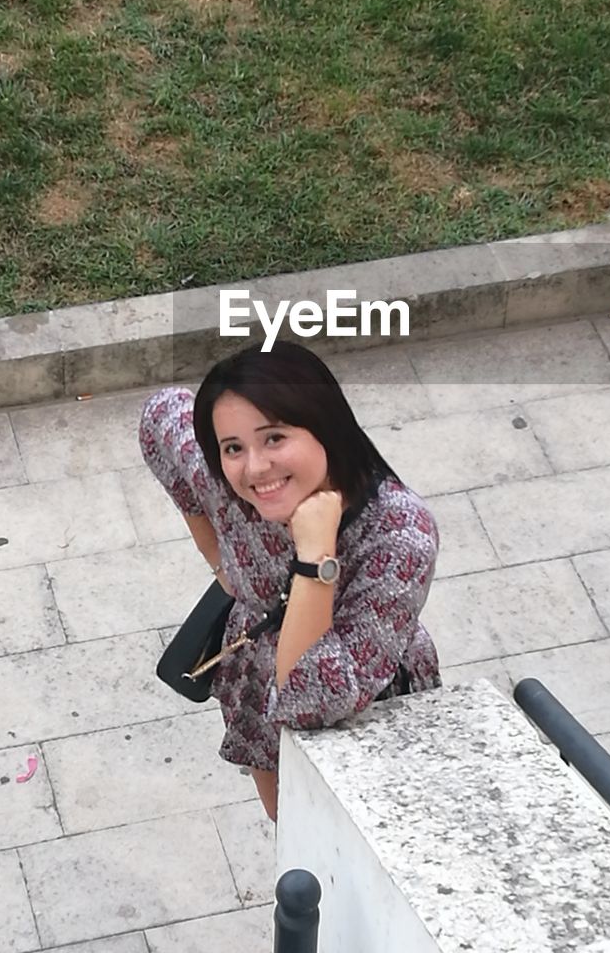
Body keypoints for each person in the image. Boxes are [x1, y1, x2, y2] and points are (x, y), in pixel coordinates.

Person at [138, 339, 441, 823]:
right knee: (294, 829)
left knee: (363, 835)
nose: (255, 468)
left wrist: (315, 555)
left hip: (358, 691)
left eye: (275, 438)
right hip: (259, 664)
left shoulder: (398, 534)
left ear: (327, 427)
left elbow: (311, 699)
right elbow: (160, 419)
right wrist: (219, 561)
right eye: (233, 447)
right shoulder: (221, 473)